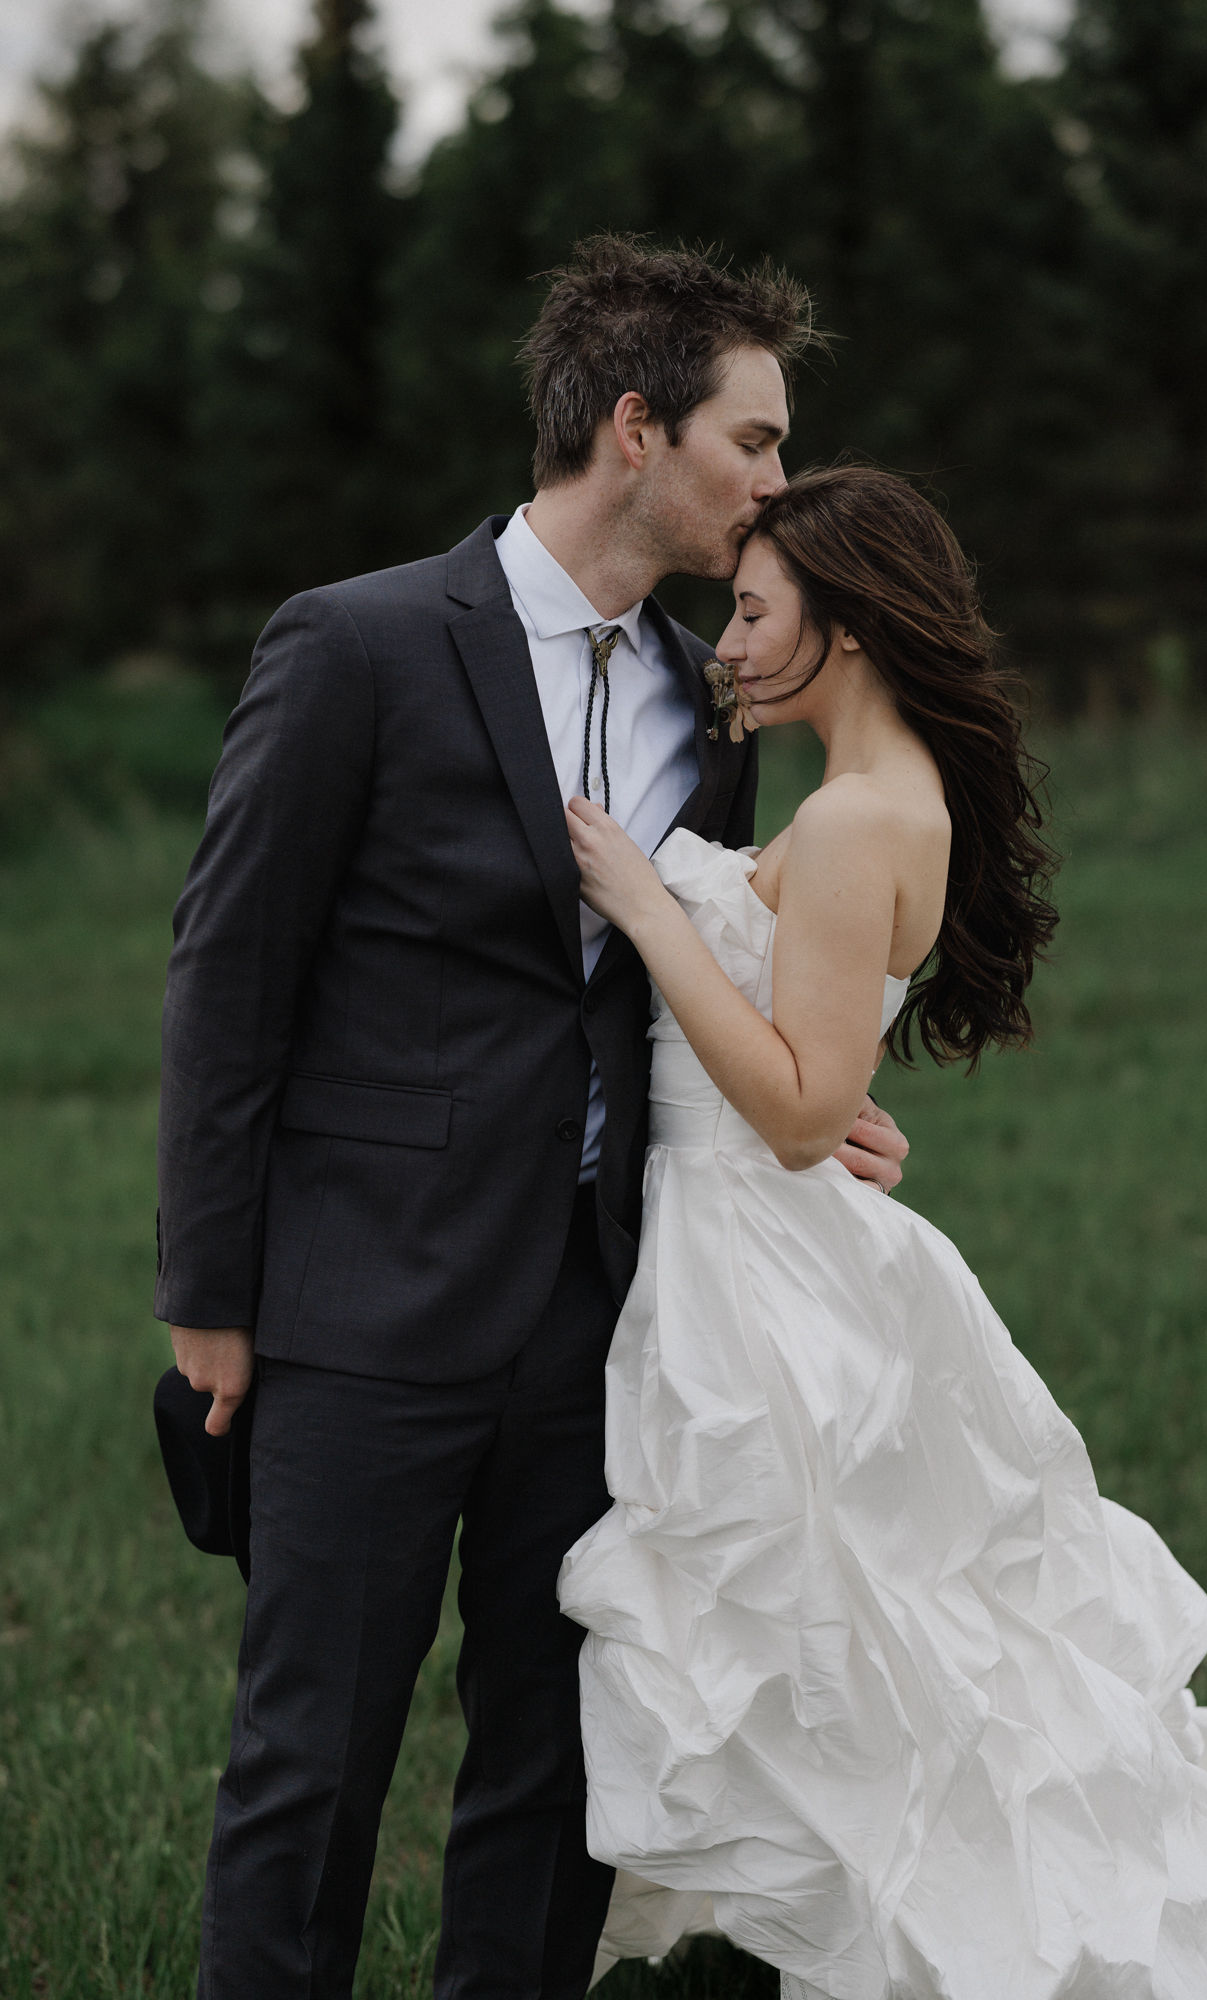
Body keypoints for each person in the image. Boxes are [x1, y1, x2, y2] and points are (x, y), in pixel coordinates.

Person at [155, 238, 908, 1999]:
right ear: (636, 430)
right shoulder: (354, 645)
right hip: (358, 1310)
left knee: (560, 1768)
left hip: (597, 1314)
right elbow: (227, 976)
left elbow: (665, 983)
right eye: (754, 438)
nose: (777, 484)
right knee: (309, 1763)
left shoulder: (701, 702)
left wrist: (818, 1111)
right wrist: (211, 1300)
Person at [558, 464, 1207, 2000]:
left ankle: (942, 1927)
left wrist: (651, 914)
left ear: (840, 630)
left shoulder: (857, 819)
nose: (727, 641)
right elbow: (809, 1072)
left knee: (853, 1635)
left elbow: (792, 1110)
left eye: (758, 611)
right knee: (847, 1633)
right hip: (741, 1233)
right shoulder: (860, 799)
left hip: (760, 1252)